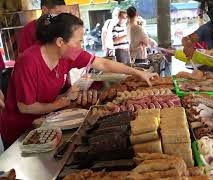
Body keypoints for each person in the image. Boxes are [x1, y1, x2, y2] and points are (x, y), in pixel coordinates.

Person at [0, 13, 158, 146]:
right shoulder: (29, 61)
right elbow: (26, 107)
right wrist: (60, 102)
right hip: (21, 133)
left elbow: (103, 63)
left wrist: (138, 73)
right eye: (78, 42)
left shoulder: (67, 53)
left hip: (47, 123)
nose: (81, 46)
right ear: (60, 41)